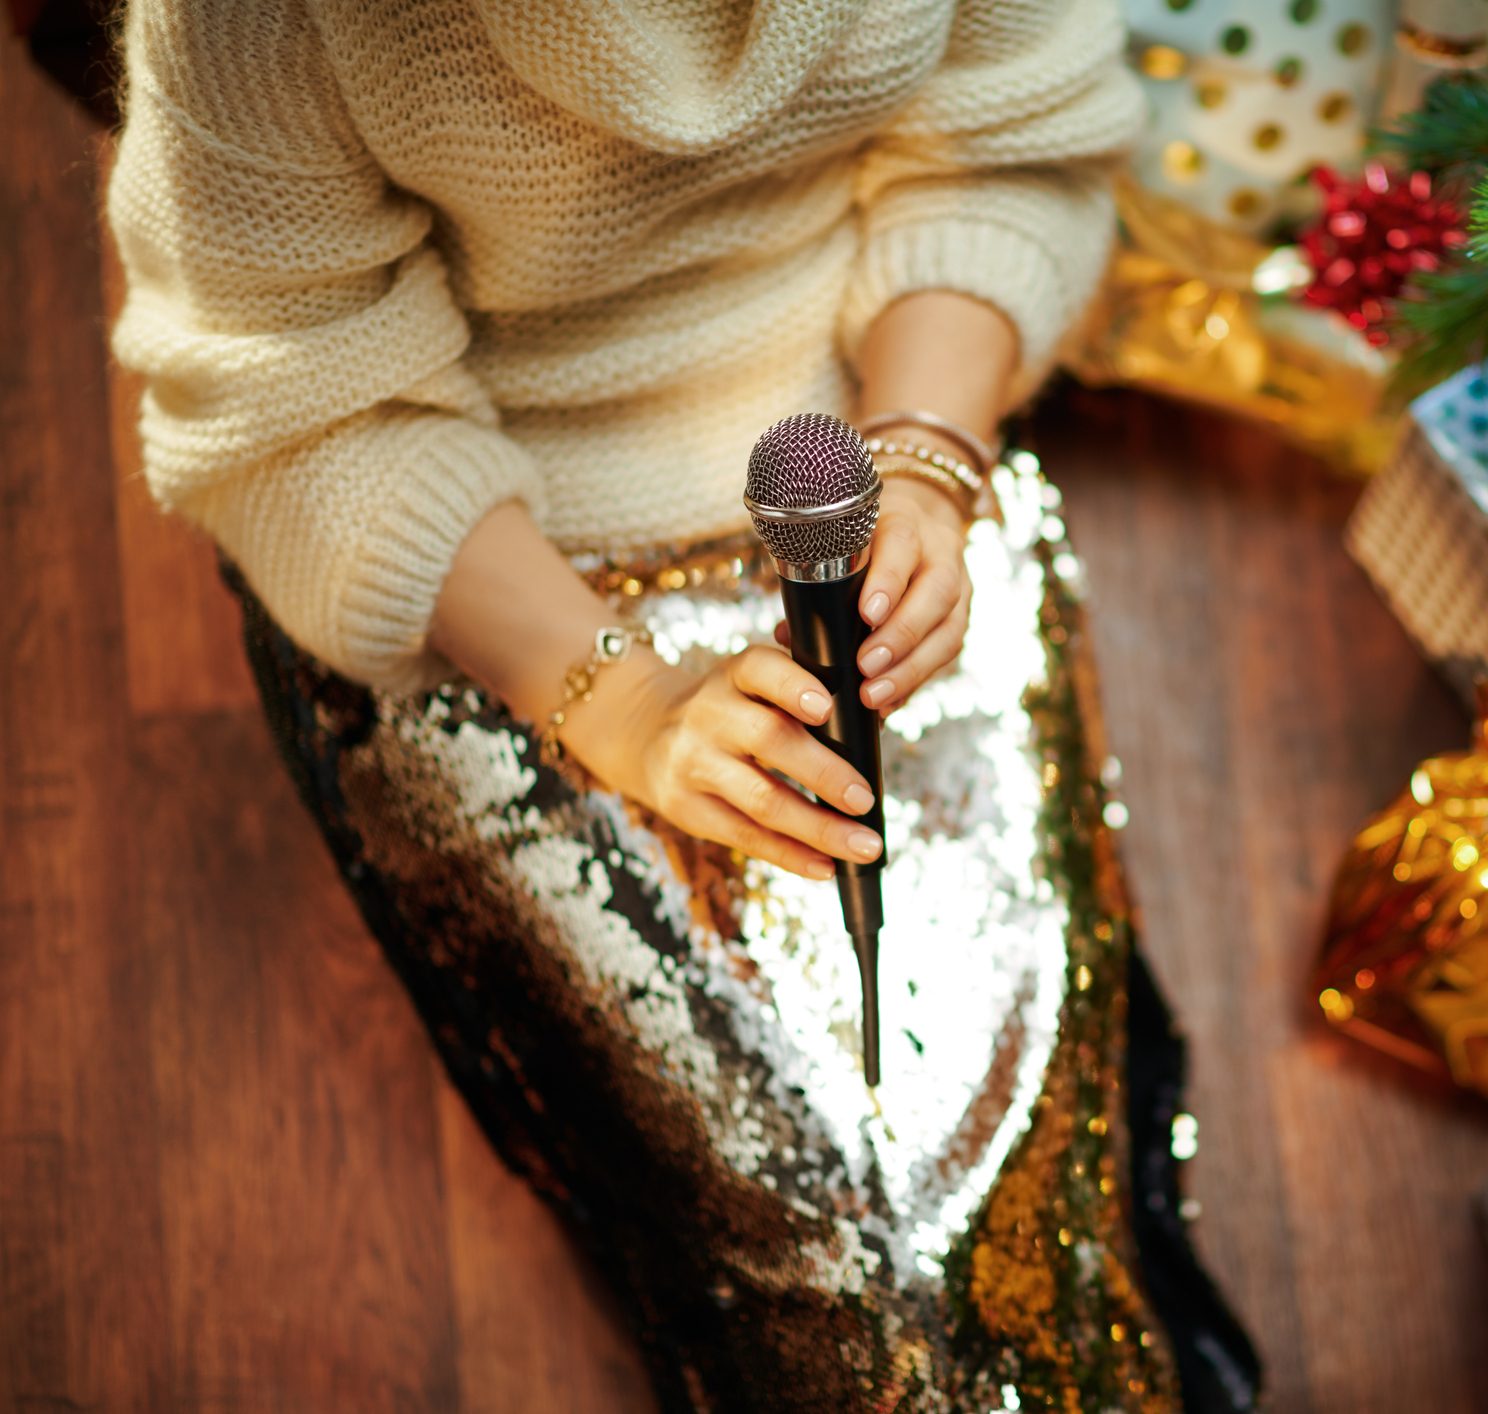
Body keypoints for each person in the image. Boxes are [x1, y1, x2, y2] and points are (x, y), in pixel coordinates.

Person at [106, 0, 1259, 1409]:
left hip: (878, 433)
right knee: (818, 1269)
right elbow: (298, 390)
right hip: (487, 566)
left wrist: (928, 449)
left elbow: (1006, 140)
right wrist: (620, 699)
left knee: (1014, 1204)